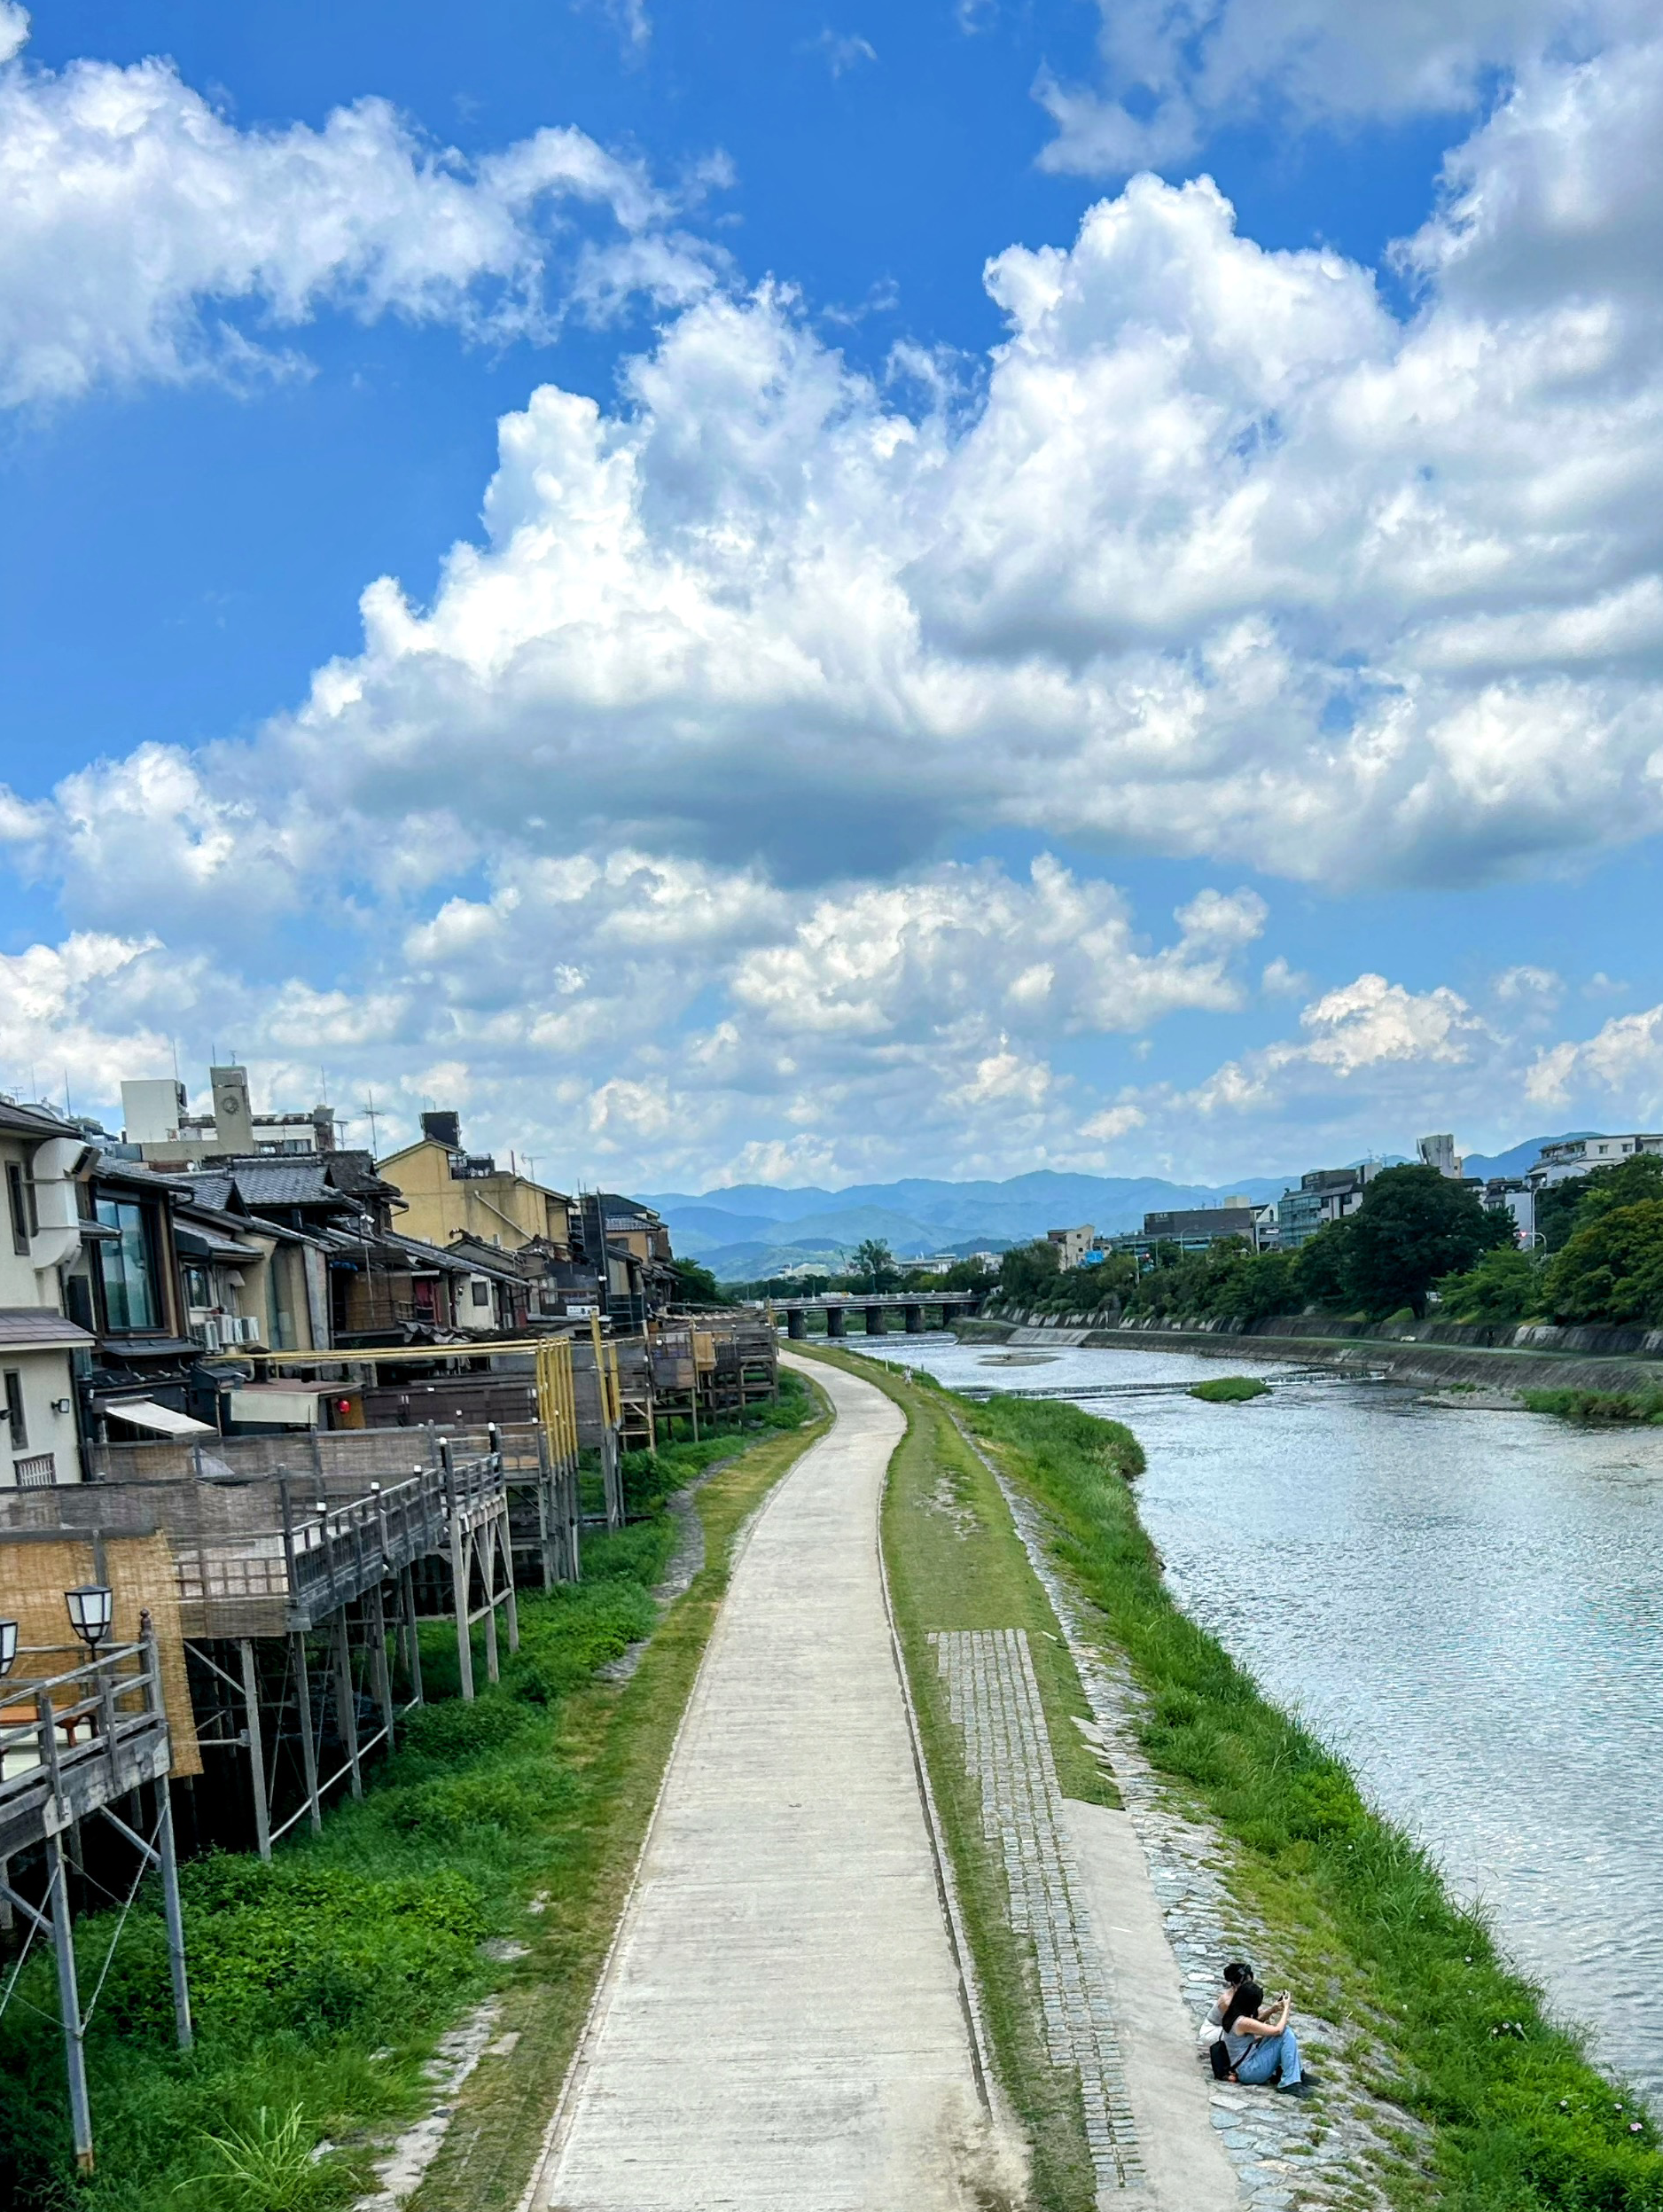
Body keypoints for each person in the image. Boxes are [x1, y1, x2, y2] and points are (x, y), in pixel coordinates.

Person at [1220, 1978, 1313, 2095]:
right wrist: (1287, 2008)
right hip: (1250, 2071)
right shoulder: (1242, 2022)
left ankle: (1296, 2074)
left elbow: (1256, 2023)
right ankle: (1289, 2082)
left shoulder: (1233, 2015)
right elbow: (1278, 2030)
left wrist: (1272, 2010)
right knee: (1285, 2033)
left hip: (1245, 2066)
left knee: (1278, 2035)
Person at [1198, 1960, 1254, 2054]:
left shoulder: (1243, 1994)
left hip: (1225, 2027)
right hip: (1211, 2031)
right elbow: (1241, 2023)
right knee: (1246, 2035)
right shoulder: (1227, 2002)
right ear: (1236, 1984)